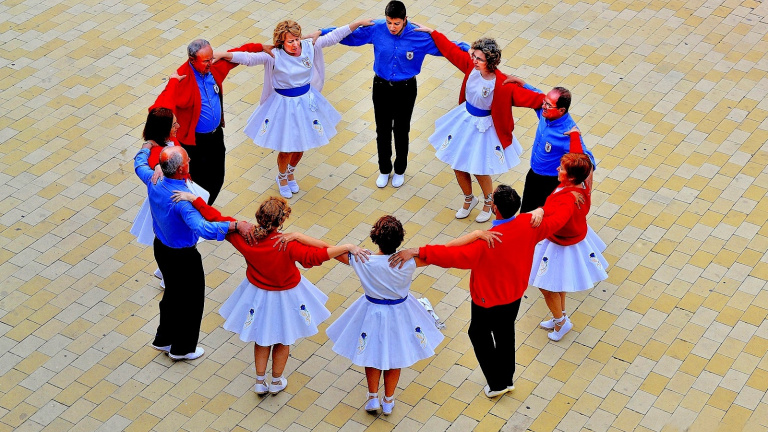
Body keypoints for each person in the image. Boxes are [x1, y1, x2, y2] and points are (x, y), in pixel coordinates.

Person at [389, 184, 581, 398]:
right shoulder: (529, 224)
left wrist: (417, 250)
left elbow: (448, 256)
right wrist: (570, 198)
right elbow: (559, 218)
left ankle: (497, 383)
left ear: (495, 209)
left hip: (486, 300)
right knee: (505, 333)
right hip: (514, 294)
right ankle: (507, 379)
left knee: (478, 333)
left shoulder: (485, 243)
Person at [170, 192, 369, 395]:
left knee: (262, 338)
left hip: (258, 294)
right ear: (281, 221)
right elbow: (317, 256)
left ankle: (259, 381)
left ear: (259, 216)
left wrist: (194, 199)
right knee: (283, 339)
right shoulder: (287, 243)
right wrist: (346, 247)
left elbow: (216, 217)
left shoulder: (244, 234)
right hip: (286, 296)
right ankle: (276, 381)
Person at [214, 19, 373, 199]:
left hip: (306, 103)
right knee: (287, 147)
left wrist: (358, 23)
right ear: (281, 42)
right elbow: (248, 58)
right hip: (284, 106)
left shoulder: (309, 46)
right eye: (290, 41)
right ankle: (281, 177)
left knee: (302, 143)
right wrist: (222, 54)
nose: (296, 44)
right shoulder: (273, 55)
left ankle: (290, 172)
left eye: (297, 39)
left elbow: (334, 36)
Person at [317, 1, 469, 188]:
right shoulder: (377, 28)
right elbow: (349, 35)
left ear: (405, 20)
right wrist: (321, 33)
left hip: (406, 89)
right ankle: (384, 169)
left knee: (401, 130)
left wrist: (469, 49)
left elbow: (447, 47)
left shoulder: (419, 35)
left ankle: (400, 170)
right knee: (382, 130)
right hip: (381, 86)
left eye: (396, 23)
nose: (392, 27)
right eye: (389, 22)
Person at [134, 145, 254, 361]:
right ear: (181, 169)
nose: (190, 161)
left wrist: (146, 148)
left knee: (172, 295)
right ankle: (182, 349)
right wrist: (234, 226)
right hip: (184, 257)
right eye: (187, 160)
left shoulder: (154, 180)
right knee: (191, 301)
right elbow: (203, 229)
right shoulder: (181, 202)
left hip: (161, 248)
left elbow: (139, 164)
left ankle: (164, 339)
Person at [416, 24, 545, 222]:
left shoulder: (503, 84)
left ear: (490, 62)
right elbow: (450, 51)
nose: (474, 60)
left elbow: (534, 99)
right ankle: (469, 199)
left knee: (479, 168)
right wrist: (433, 32)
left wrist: (544, 96)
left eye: (479, 58)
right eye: (474, 56)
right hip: (464, 120)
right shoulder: (471, 67)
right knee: (456, 162)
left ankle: (488, 201)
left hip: (485, 127)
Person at [150, 39, 266, 205]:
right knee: (197, 180)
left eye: (212, 58)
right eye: (206, 60)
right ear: (192, 60)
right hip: (194, 143)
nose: (211, 63)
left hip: (216, 137)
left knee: (217, 178)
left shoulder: (213, 67)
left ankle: (204, 207)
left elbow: (237, 55)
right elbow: (158, 112)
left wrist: (261, 47)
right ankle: (196, 211)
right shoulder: (181, 79)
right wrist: (173, 83)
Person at [528, 152, 608, 341]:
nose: (558, 168)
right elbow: (582, 158)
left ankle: (561, 322)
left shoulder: (567, 200)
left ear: (571, 177)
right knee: (557, 283)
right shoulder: (580, 185)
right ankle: (560, 315)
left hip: (560, 245)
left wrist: (539, 213)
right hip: (567, 241)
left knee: (546, 287)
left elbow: (557, 221)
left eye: (562, 168)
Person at [131, 101, 210, 288]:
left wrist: (146, 147)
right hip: (171, 199)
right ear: (164, 128)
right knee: (174, 233)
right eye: (174, 124)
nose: (178, 126)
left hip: (171, 194)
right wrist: (158, 165)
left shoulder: (166, 142)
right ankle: (167, 277)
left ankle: (163, 271)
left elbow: (141, 163)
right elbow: (155, 164)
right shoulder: (158, 152)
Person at [501, 78, 597, 213]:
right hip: (534, 174)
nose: (543, 106)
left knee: (543, 216)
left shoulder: (568, 132)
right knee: (526, 212)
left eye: (548, 105)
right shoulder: (545, 112)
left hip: (551, 182)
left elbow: (586, 161)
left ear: (561, 110)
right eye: (544, 102)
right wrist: (520, 82)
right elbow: (535, 93)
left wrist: (583, 191)